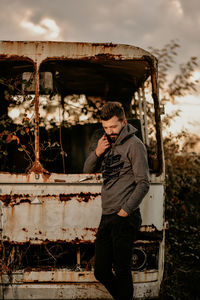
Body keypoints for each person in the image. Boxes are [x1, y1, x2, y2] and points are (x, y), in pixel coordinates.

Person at [83, 101, 150, 300]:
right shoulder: (105, 142)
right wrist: (97, 152)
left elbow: (143, 183)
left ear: (123, 122)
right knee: (101, 271)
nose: (110, 131)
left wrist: (125, 210)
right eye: (105, 127)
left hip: (124, 216)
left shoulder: (135, 145)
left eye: (113, 127)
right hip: (107, 215)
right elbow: (87, 171)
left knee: (122, 270)